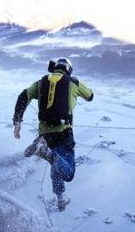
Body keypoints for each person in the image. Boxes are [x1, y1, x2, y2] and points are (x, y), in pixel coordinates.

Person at [12, 58, 94, 211]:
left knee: (55, 162)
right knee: (68, 173)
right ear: (68, 69)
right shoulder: (72, 82)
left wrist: (17, 121)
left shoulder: (41, 82)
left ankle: (60, 198)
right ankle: (44, 150)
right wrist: (75, 84)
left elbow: (23, 96)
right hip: (63, 133)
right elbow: (90, 96)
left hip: (45, 134)